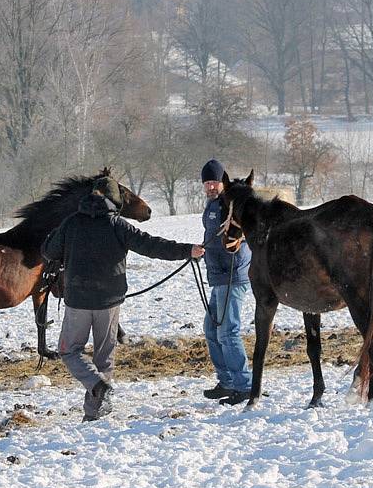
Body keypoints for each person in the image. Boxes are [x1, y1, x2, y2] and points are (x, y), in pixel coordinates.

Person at [42, 176, 204, 422]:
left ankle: (96, 399)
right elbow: (152, 246)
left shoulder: (71, 223)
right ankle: (95, 405)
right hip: (109, 302)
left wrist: (54, 235)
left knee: (69, 351)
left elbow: (49, 251)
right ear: (115, 200)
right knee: (103, 357)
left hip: (77, 300)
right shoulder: (118, 225)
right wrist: (187, 251)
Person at [200, 159, 253, 405]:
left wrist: (234, 253)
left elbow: (238, 236)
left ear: (223, 182)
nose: (211, 186)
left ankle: (244, 385)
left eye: (215, 182)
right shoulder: (212, 204)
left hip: (232, 274)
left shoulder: (231, 204)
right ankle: (227, 381)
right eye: (207, 182)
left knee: (227, 331)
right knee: (212, 329)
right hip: (218, 276)